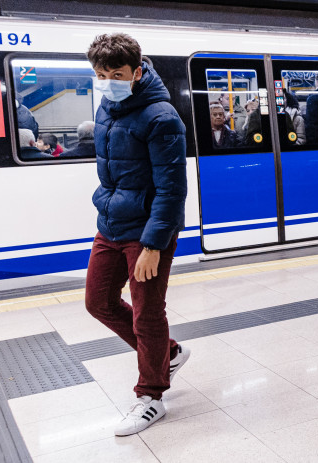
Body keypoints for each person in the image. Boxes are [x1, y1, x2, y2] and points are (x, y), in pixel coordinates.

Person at [84, 32, 190, 436]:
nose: (108, 80)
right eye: (101, 73)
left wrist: (152, 245)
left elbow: (171, 189)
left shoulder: (161, 117)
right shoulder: (106, 109)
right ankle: (171, 353)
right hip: (109, 227)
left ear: (136, 71)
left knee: (147, 313)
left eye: (117, 73)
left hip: (146, 234)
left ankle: (151, 397)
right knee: (98, 302)